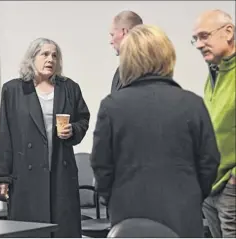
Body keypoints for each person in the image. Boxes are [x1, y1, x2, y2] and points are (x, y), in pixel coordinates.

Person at [90, 24, 220, 237]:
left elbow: (101, 166)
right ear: (168, 56)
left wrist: (113, 198)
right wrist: (191, 194)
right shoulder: (192, 104)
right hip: (182, 214)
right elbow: (210, 162)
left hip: (127, 216)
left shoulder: (112, 106)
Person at [0, 37, 90, 237]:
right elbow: (5, 134)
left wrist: (73, 130)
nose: (50, 59)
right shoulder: (14, 90)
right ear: (32, 58)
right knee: (31, 232)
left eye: (54, 55)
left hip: (61, 173)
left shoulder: (69, 88)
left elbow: (83, 119)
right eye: (44, 54)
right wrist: (2, 177)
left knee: (64, 231)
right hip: (27, 175)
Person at [192, 9, 236, 238]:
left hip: (230, 188)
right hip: (210, 185)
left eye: (204, 36)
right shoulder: (214, 74)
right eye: (196, 39)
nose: (199, 44)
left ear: (228, 32)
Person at [109, 10, 143, 93]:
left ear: (124, 32)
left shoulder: (137, 69)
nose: (111, 41)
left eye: (113, 35)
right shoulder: (154, 66)